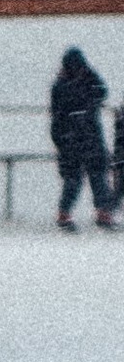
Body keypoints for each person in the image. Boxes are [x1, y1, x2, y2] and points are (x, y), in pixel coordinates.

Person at [49, 47, 118, 231]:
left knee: (92, 177)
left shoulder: (70, 83)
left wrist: (60, 139)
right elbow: (59, 115)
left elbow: (102, 91)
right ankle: (70, 213)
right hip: (79, 138)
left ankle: (97, 212)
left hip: (86, 137)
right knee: (79, 179)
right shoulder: (67, 85)